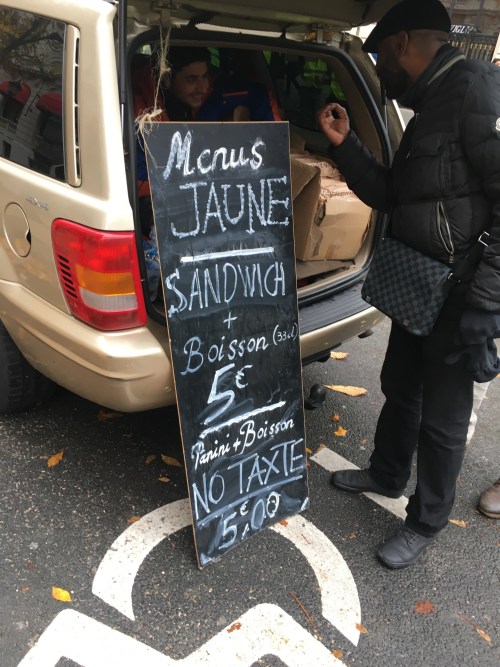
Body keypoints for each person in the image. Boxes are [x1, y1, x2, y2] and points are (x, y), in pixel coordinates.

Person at [317, 0, 500, 569]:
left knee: (444, 419)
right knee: (400, 384)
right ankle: (387, 473)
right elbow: (394, 194)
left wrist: (486, 302)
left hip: (463, 292)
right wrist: (346, 145)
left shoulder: (476, 89)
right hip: (419, 282)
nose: (380, 72)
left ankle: (425, 521)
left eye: (379, 58)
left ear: (400, 45)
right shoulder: (430, 104)